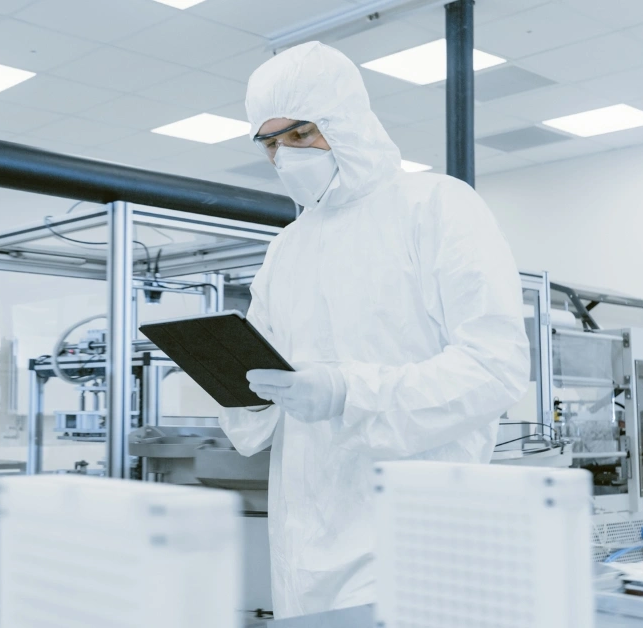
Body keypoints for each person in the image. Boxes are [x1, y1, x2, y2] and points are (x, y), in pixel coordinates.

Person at [217, 41, 531, 618]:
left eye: (300, 133)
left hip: (420, 539)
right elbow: (256, 398)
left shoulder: (436, 205)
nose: (285, 155)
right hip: (305, 544)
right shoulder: (287, 248)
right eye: (269, 142)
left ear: (346, 121)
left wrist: (346, 391)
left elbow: (494, 368)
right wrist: (244, 390)